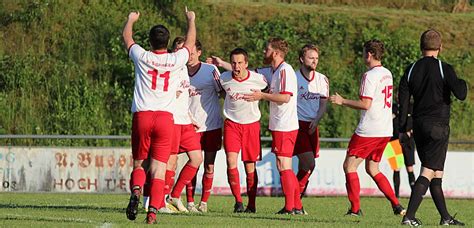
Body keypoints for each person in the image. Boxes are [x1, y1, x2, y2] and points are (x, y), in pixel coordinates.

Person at [122, 7, 196, 224]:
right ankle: (152, 213)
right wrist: (191, 20)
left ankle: (136, 191)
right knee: (159, 170)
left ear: (150, 41)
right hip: (165, 118)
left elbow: (127, 37)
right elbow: (190, 43)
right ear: (168, 41)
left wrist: (131, 19)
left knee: (139, 164)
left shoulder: (142, 56)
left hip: (143, 116)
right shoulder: (175, 60)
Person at [329, 39, 406, 217]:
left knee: (349, 166)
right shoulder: (388, 73)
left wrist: (342, 101)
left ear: (369, 54)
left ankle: (355, 209)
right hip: (385, 130)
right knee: (373, 169)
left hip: (369, 130)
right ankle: (396, 205)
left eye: (364, 52)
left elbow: (365, 104)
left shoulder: (369, 75)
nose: (363, 56)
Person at [399, 29, 467, 226]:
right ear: (440, 47)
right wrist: (461, 81)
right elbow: (461, 93)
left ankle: (445, 218)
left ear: (421, 48)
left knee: (436, 173)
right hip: (438, 126)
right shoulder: (443, 68)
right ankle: (409, 216)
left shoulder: (411, 69)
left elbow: (403, 102)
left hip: (419, 127)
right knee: (428, 170)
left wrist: (403, 129)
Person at [244, 37, 304, 215]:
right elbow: (248, 73)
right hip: (280, 125)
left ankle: (290, 207)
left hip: (286, 125)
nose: (264, 52)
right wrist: (222, 63)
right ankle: (297, 206)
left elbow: (285, 97)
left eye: (267, 49)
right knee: (284, 165)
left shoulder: (285, 70)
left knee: (283, 164)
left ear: (276, 53)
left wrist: (262, 96)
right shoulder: (274, 70)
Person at [167, 39, 223, 213]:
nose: (189, 56)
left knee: (209, 165)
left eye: (192, 53)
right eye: (186, 52)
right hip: (189, 125)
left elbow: (222, 91)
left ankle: (203, 202)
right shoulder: (178, 71)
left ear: (199, 53)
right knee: (193, 163)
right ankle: (189, 202)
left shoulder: (210, 70)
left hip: (211, 124)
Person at [219, 48, 268, 213]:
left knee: (250, 168)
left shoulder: (259, 79)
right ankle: (238, 202)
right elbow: (220, 92)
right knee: (231, 162)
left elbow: (271, 86)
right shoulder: (224, 79)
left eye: (240, 62)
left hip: (251, 125)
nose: (237, 66)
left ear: (246, 64)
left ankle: (251, 204)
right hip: (232, 125)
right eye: (233, 62)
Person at [163, 36, 203, 213]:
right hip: (172, 121)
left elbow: (184, 98)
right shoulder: (169, 69)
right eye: (179, 50)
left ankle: (175, 195)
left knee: (197, 158)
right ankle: (161, 200)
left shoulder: (184, 70)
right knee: (170, 162)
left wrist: (190, 117)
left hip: (185, 122)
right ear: (173, 52)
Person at [294, 44, 328, 199]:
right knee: (310, 164)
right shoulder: (293, 77)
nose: (315, 61)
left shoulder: (322, 79)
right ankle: (294, 196)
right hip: (297, 125)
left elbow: (323, 104)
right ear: (302, 59)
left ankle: (295, 198)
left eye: (316, 58)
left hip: (313, 125)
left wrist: (317, 119)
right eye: (311, 58)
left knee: (306, 166)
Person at [391, 102, 416, 198]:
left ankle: (415, 194)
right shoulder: (393, 107)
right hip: (394, 141)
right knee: (396, 168)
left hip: (408, 141)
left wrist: (410, 133)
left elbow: (416, 121)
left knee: (409, 167)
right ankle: (396, 195)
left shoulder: (412, 106)